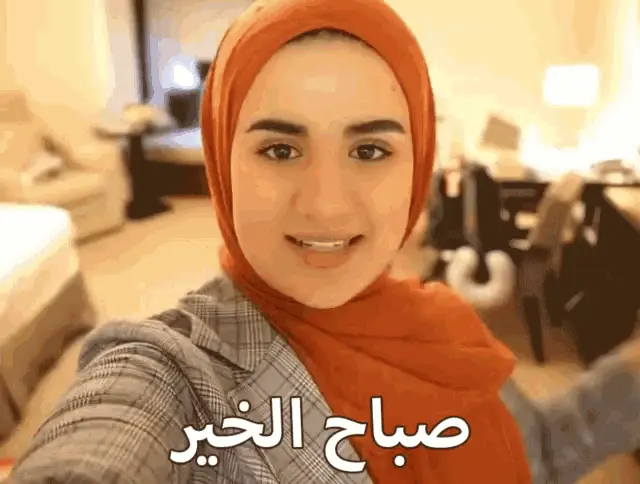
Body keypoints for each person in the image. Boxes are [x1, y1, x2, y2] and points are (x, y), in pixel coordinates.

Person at [6, 0, 640, 482]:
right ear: (223, 164)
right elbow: (108, 443)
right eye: (280, 149)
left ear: (416, 166)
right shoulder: (174, 370)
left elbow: (538, 451)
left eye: (370, 150)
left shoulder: (443, 332)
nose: (326, 205)